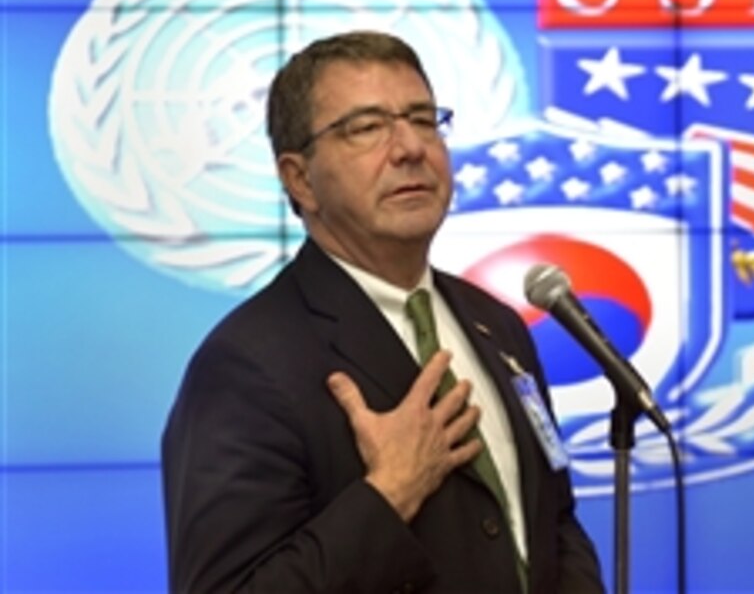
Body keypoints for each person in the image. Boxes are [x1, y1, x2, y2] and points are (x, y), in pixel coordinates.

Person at [161, 30, 604, 593]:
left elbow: (555, 524)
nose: (410, 148)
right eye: (367, 128)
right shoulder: (247, 365)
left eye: (423, 119)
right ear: (300, 179)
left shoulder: (500, 326)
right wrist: (390, 491)